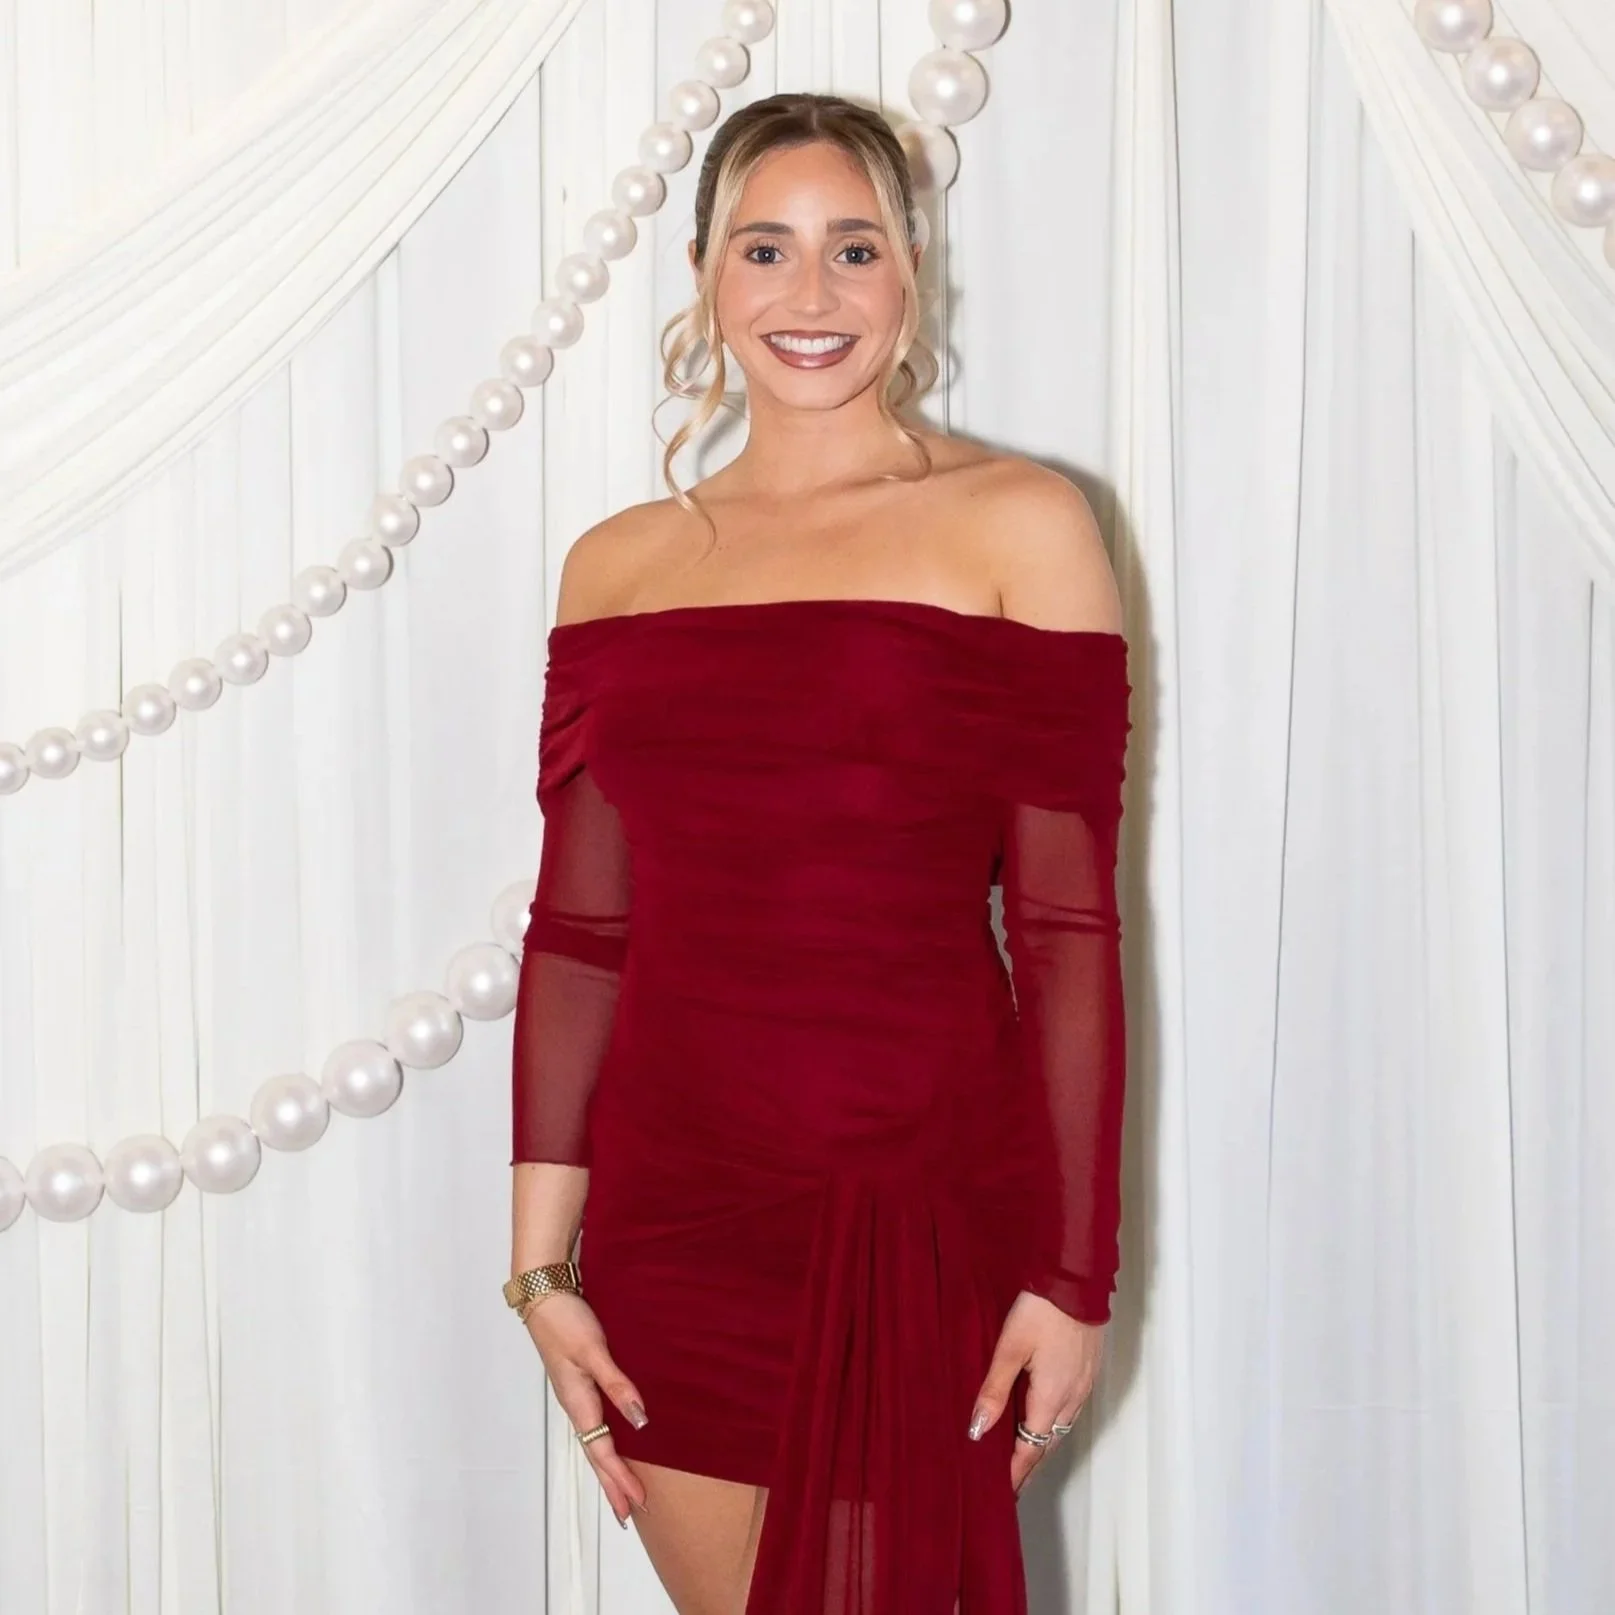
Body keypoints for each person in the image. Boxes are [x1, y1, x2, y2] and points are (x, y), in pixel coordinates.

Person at [505, 91, 1132, 1615]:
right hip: (673, 1229)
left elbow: (1068, 933)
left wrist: (1072, 1278)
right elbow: (581, 935)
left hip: (914, 1214)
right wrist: (539, 1271)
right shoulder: (618, 566)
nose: (811, 292)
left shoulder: (1021, 522)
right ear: (705, 278)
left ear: (912, 270)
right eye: (764, 248)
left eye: (853, 248)